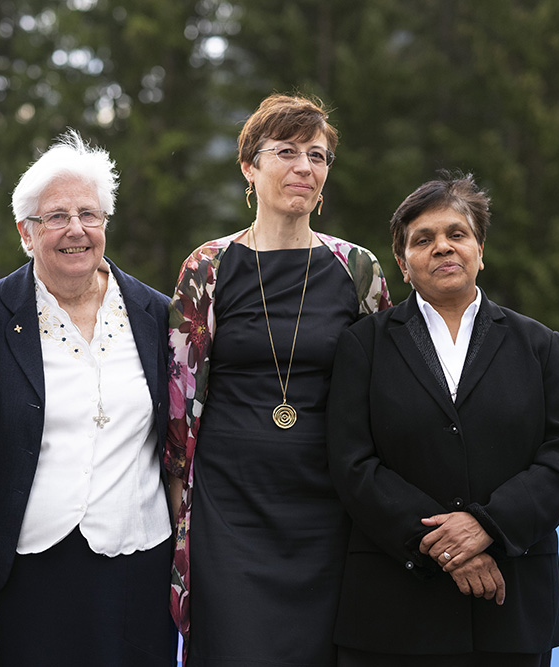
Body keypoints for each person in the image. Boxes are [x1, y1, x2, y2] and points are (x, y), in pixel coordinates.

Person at [166, 93, 391, 666]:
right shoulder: (208, 267)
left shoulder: (357, 268)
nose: (304, 168)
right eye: (287, 152)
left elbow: (387, 391)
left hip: (330, 508)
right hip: (230, 506)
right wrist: (177, 501)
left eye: (317, 156)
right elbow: (179, 397)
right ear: (249, 166)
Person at [326, 173, 559, 666]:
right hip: (394, 608)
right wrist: (447, 546)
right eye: (423, 240)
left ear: (480, 250)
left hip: (509, 604)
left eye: (456, 234)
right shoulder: (363, 344)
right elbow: (351, 462)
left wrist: (487, 526)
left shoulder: (540, 345)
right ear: (403, 265)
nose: (442, 247)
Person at [0, 130, 175, 667]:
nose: (76, 229)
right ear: (25, 233)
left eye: (90, 214)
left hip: (137, 562)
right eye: (56, 216)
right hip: (27, 567)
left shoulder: (160, 317)